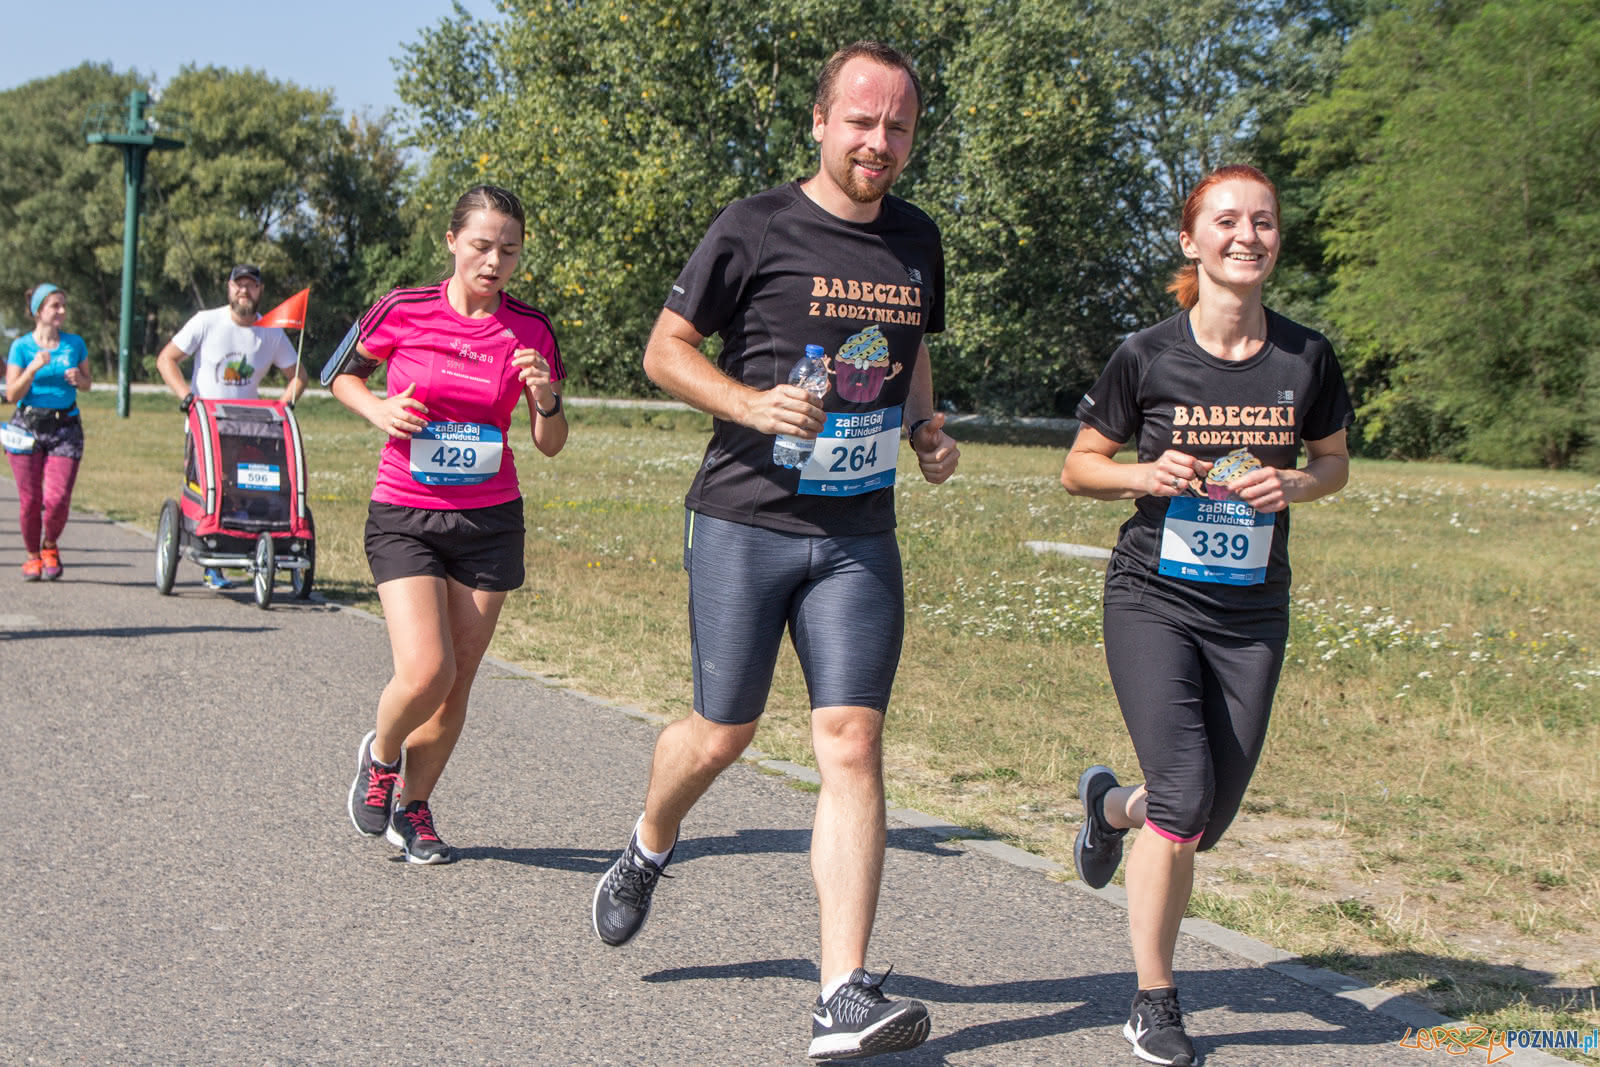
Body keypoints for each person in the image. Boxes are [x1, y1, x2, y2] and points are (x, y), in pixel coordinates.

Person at [589, 41, 959, 1062]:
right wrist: (751, 403)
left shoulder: (918, 239)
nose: (879, 141)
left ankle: (840, 990)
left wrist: (925, 428)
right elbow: (664, 351)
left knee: (849, 738)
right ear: (820, 120)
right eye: (861, 120)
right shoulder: (754, 225)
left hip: (856, 533)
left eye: (897, 126)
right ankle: (648, 842)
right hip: (745, 519)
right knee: (721, 732)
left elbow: (911, 349)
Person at [1060, 164, 1353, 1067]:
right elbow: (1079, 465)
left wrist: (1294, 480)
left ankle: (1111, 809)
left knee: (1202, 814)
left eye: (1262, 222)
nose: (1247, 236)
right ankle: (1155, 998)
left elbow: (1334, 463)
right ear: (1192, 241)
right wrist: (1142, 474)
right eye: (1226, 221)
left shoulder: (1306, 357)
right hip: (1152, 595)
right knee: (1186, 800)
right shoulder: (1146, 354)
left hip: (1253, 609)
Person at [336, 185, 567, 865]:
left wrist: (546, 396)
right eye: (482, 246)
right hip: (407, 511)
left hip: (489, 520)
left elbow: (549, 442)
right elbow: (340, 375)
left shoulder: (531, 328)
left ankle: (413, 808)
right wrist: (377, 410)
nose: (494, 261)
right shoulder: (401, 309)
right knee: (427, 669)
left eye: (509, 250)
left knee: (458, 679)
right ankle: (380, 755)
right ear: (452, 242)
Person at [156, 264, 309, 589]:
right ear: (229, 289)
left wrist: (284, 405)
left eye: (251, 286)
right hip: (205, 427)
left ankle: (249, 546)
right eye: (238, 285)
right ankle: (213, 563)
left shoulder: (270, 331)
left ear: (259, 291)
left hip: (247, 428)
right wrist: (186, 398)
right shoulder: (206, 321)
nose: (244, 291)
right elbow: (166, 359)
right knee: (213, 489)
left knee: (246, 490)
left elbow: (298, 375)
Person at [5, 284, 91, 581]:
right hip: (27, 428)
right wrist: (31, 369)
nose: (62, 311)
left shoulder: (75, 343)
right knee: (30, 500)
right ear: (39, 311)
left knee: (57, 499)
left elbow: (88, 383)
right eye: (55, 306)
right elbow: (13, 394)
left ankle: (50, 545)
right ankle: (32, 555)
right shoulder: (21, 347)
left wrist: (79, 379)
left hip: (65, 428)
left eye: (63, 305)